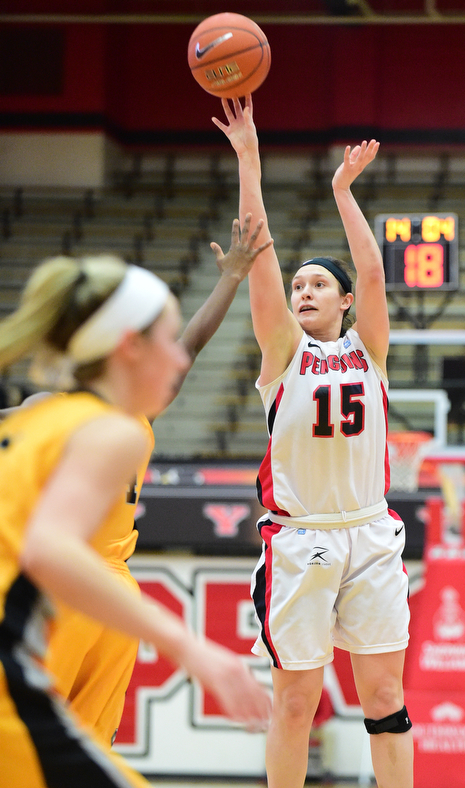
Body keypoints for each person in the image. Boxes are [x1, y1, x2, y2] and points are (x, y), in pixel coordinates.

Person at [0, 217, 272, 786]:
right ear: (128, 349)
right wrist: (190, 648)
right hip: (52, 603)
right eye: (164, 346)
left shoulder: (57, 418)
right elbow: (50, 548)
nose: (180, 362)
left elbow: (193, 341)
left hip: (93, 592)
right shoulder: (96, 424)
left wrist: (230, 280)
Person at [213, 97, 413, 788]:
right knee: (295, 701)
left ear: (344, 301)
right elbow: (261, 255)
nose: (302, 291)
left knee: (385, 701)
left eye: (318, 284)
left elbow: (376, 272)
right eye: (298, 285)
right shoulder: (281, 353)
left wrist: (341, 190)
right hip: (298, 541)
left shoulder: (370, 350)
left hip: (369, 533)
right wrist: (249, 159)